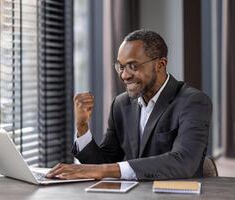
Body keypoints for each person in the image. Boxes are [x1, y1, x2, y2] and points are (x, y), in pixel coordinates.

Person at [47, 30, 212, 181]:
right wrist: (82, 127)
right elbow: (102, 163)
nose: (124, 75)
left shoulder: (193, 101)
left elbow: (184, 162)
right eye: (121, 66)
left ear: (160, 64)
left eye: (133, 66)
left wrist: (104, 170)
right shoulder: (121, 104)